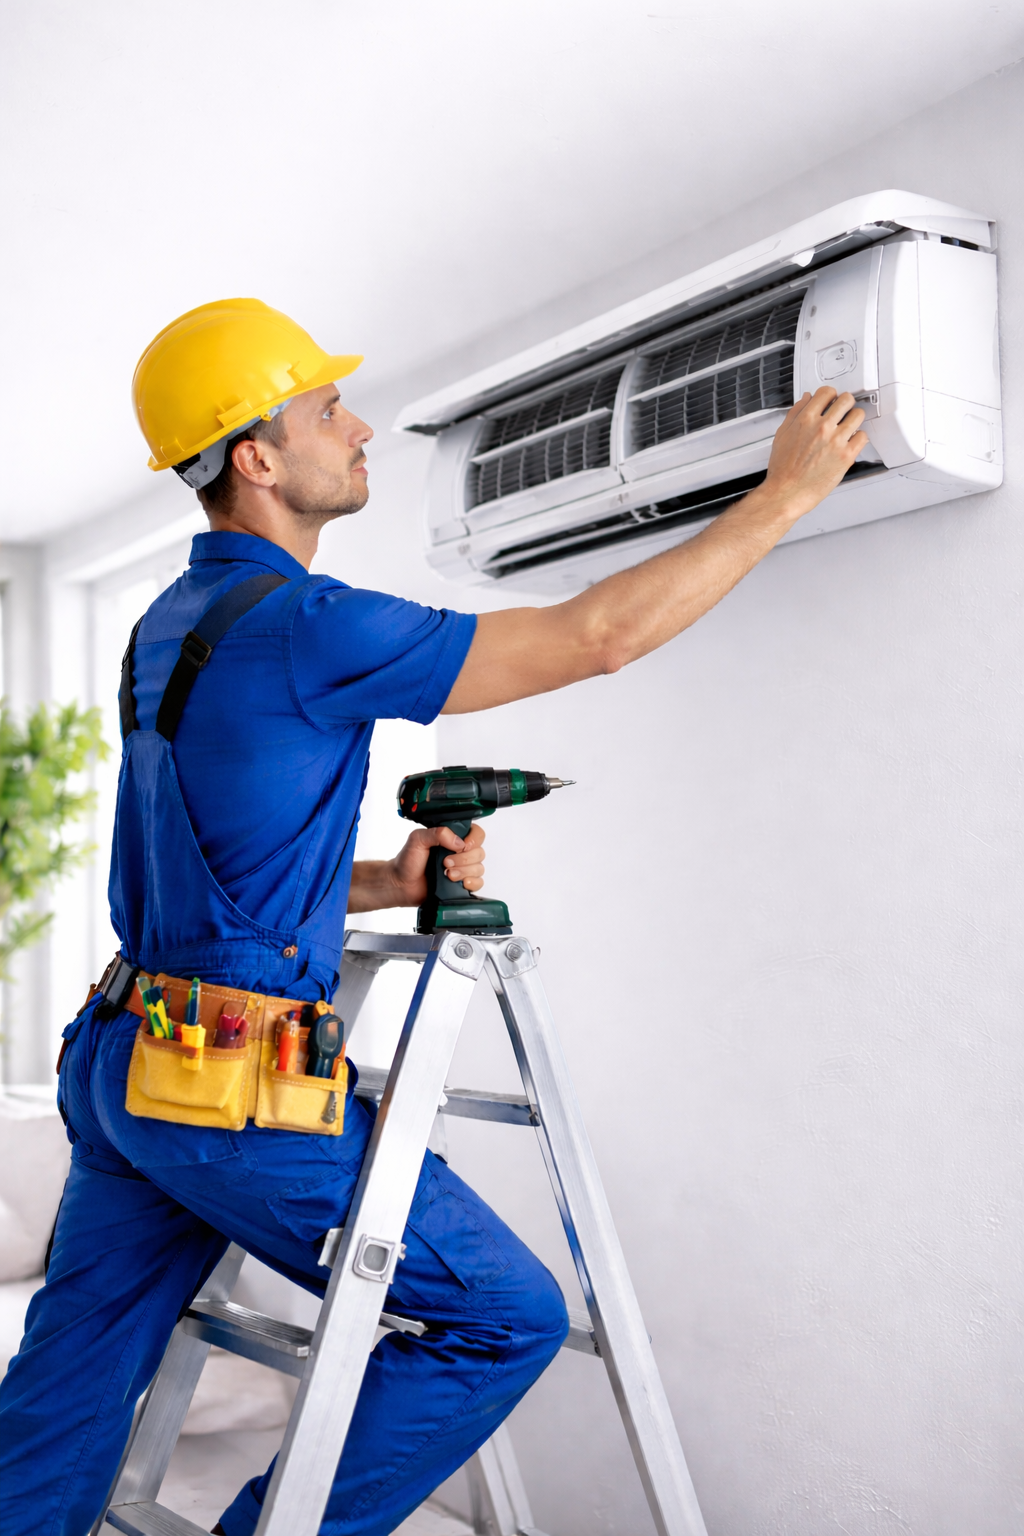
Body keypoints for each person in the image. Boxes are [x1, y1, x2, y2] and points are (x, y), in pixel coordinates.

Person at [0, 299, 867, 1536]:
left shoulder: (167, 628)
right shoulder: (310, 622)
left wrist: (381, 885)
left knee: (70, 1378)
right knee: (504, 1313)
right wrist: (785, 493)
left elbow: (197, 858)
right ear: (255, 457)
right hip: (227, 1086)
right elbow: (596, 638)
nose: (357, 429)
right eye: (324, 410)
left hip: (124, 1054)